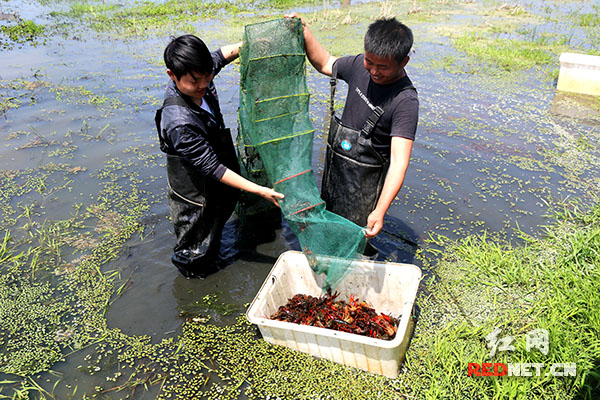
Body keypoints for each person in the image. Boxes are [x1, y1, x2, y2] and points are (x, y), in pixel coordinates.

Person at [286, 14, 418, 254]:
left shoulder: (405, 101)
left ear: (404, 62)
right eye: (370, 62)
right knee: (327, 230)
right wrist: (305, 31)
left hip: (365, 188)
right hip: (336, 176)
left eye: (383, 67)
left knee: (353, 245)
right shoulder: (359, 66)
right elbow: (325, 62)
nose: (374, 72)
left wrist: (380, 210)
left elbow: (399, 163)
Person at [155, 34, 284, 279]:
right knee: (194, 247)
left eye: (207, 77)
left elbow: (220, 57)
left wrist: (251, 44)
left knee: (215, 228)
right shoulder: (179, 123)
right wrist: (259, 190)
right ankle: (192, 288)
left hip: (213, 179)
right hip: (192, 194)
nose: (203, 85)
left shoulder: (200, 71)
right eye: (195, 81)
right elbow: (213, 167)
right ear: (172, 75)